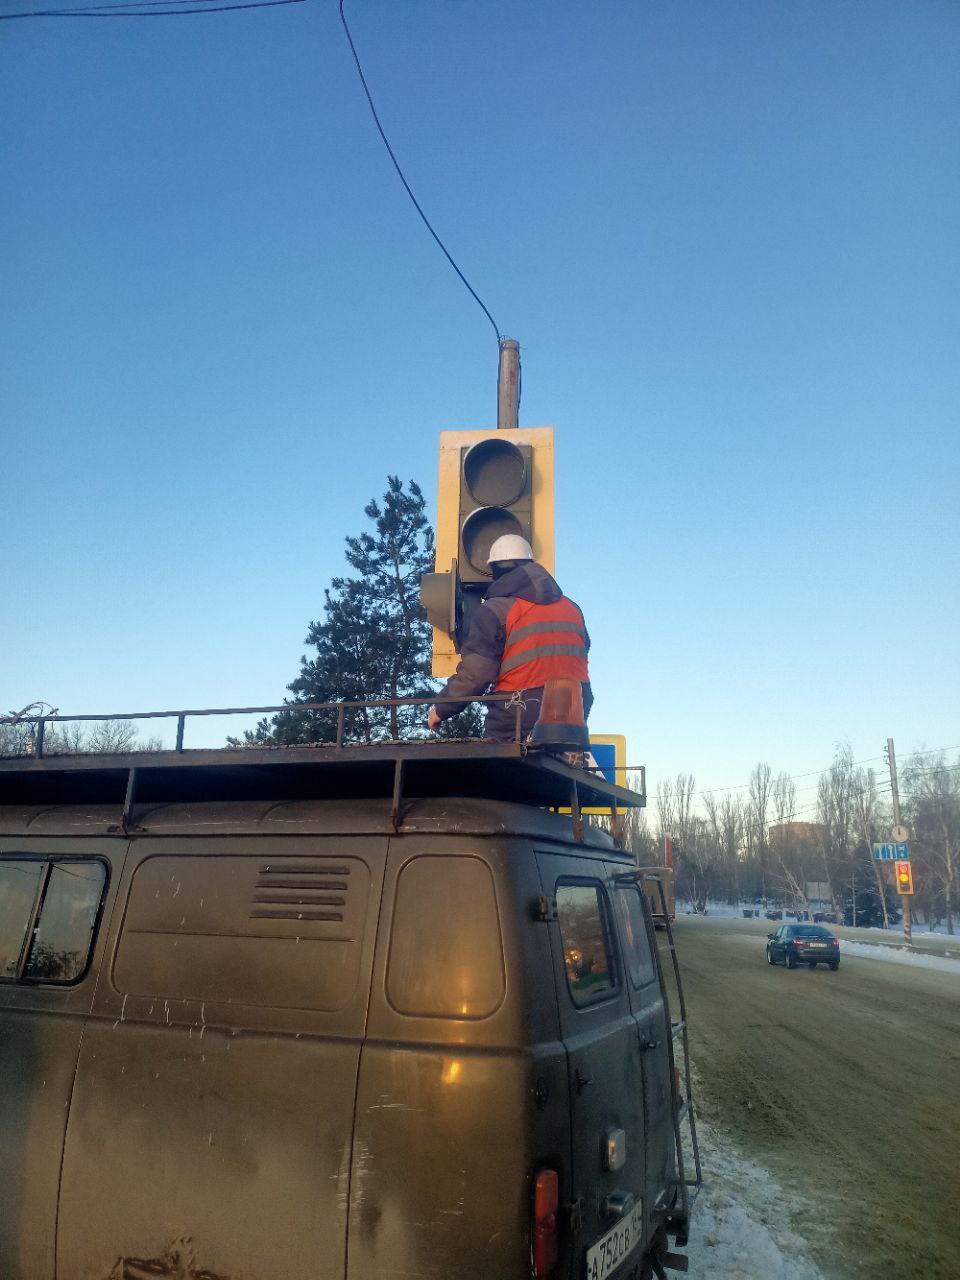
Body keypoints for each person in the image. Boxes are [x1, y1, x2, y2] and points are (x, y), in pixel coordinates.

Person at [427, 534, 593, 742]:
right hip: (574, 707)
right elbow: (581, 651)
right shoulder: (572, 608)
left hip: (518, 708)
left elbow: (476, 674)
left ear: (496, 569)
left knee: (498, 767)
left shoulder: (496, 610)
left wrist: (441, 709)